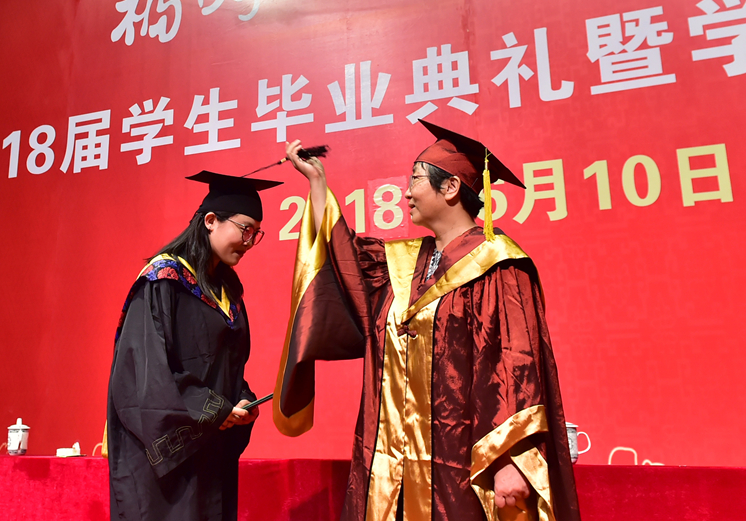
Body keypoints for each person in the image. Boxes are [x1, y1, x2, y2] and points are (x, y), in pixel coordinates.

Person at [272, 120, 581, 521]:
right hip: (391, 460)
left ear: (450, 187)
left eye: (415, 179)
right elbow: (346, 262)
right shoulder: (404, 263)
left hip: (462, 462)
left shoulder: (498, 266)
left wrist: (512, 459)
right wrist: (317, 183)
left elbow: (515, 362)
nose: (406, 192)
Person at [106, 170, 279, 521]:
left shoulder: (226, 292)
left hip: (210, 449)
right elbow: (144, 372)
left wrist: (241, 400)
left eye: (256, 233)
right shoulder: (163, 280)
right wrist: (213, 409)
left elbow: (229, 367)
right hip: (166, 461)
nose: (249, 241)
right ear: (211, 221)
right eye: (245, 229)